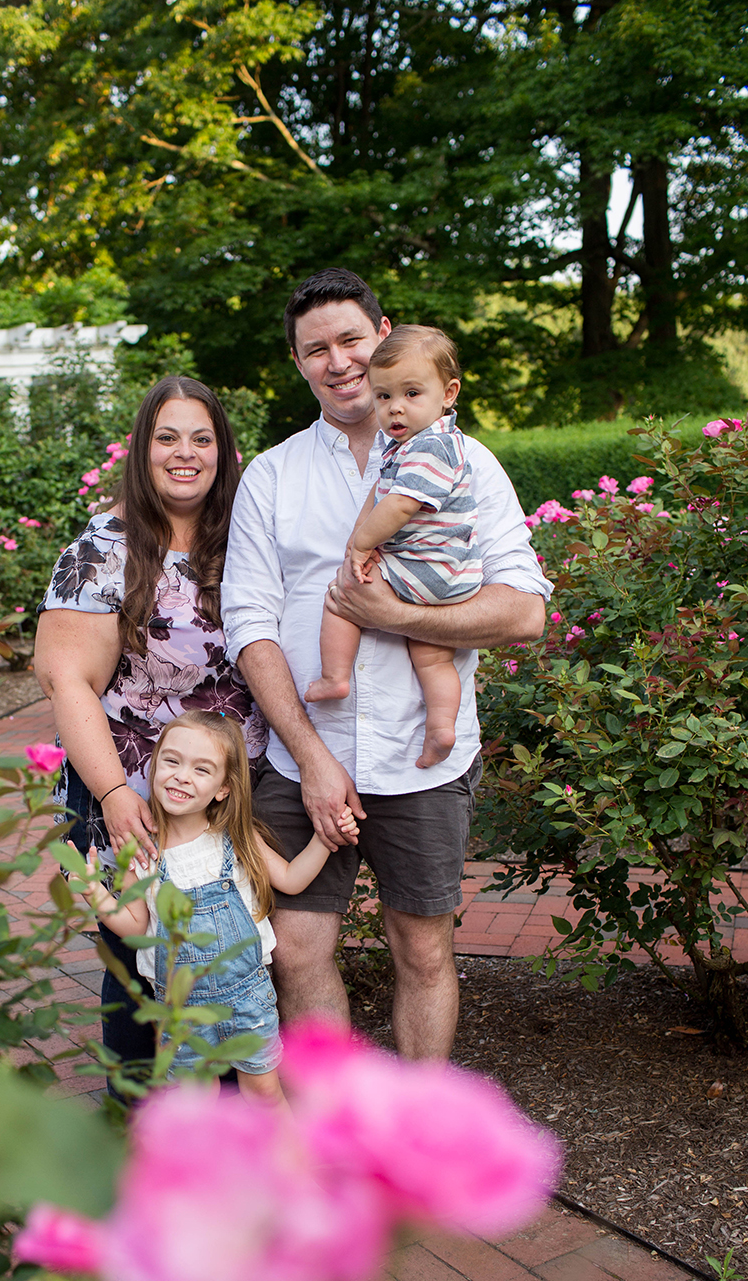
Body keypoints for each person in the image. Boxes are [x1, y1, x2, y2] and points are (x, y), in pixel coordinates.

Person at [221, 268, 552, 1059]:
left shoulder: (467, 463)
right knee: (295, 952)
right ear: (297, 362)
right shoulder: (271, 476)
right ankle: (334, 1144)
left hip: (421, 757)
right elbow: (248, 623)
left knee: (423, 951)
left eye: (349, 340)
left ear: (383, 336)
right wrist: (311, 757)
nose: (336, 361)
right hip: (305, 754)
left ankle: (410, 1151)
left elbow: (525, 609)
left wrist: (400, 617)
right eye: (315, 349)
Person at [34, 376, 268, 1073]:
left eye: (202, 438)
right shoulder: (103, 546)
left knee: (233, 954)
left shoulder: (249, 534)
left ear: (224, 451)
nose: (184, 453)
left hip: (229, 787)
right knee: (136, 962)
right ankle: (130, 1123)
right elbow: (64, 677)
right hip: (127, 782)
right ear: (141, 450)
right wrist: (112, 792)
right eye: (167, 437)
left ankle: (229, 1127)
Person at [68, 711, 358, 1105]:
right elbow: (135, 926)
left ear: (223, 788)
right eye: (171, 761)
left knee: (264, 1091)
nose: (182, 776)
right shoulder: (143, 853)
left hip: (249, 998)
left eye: (201, 769)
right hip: (179, 1007)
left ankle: (291, 1164)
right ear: (154, 769)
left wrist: (326, 841)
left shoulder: (235, 838)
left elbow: (291, 879)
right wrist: (92, 893)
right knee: (196, 1103)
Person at [305, 325, 481, 772]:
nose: (395, 408)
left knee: (343, 597)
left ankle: (334, 677)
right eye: (383, 397)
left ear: (449, 393)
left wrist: (359, 546)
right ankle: (442, 727)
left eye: (411, 394)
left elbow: (399, 505)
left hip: (424, 565)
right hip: (453, 574)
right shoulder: (415, 446)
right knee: (431, 651)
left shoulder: (429, 447)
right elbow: (383, 493)